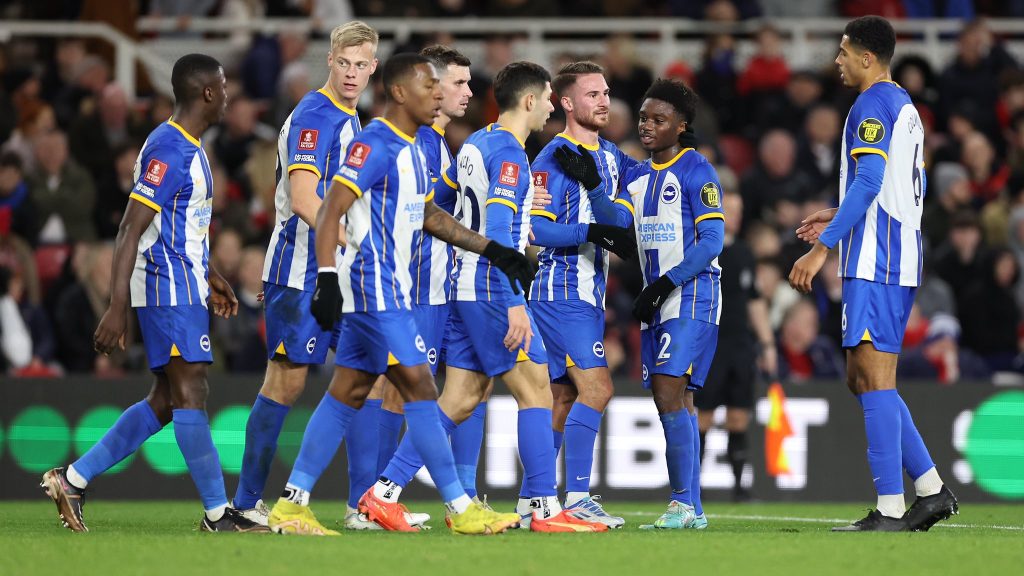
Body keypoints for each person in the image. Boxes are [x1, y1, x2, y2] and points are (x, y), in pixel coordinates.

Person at [265, 53, 529, 536]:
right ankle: (459, 505)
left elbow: (430, 216)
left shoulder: (413, 147)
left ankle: (291, 502)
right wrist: (326, 278)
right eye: (429, 86)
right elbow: (329, 212)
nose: (438, 95)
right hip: (372, 289)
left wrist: (493, 249)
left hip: (390, 292)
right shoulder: (376, 144)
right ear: (401, 93)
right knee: (421, 387)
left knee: (347, 391)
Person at [369, 61, 607, 533]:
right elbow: (498, 230)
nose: (547, 111)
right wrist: (515, 301)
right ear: (528, 101)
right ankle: (543, 507)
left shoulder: (477, 142)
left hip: (462, 282)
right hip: (492, 288)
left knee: (460, 398)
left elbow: (442, 199)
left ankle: (383, 493)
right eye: (544, 99)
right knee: (536, 387)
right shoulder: (513, 157)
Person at [40, 53, 267, 533]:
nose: (228, 94)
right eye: (224, 85)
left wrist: (211, 274)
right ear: (206, 92)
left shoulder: (190, 146)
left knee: (166, 399)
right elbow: (129, 228)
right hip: (165, 286)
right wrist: (116, 306)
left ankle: (73, 479)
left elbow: (181, 228)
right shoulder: (169, 148)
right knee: (191, 390)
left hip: (184, 280)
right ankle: (215, 513)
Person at [232, 20, 404, 530]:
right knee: (285, 384)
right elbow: (306, 200)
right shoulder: (315, 115)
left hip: (338, 270)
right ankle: (245, 505)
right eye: (344, 64)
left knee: (366, 378)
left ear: (373, 68)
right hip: (302, 270)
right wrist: (358, 241)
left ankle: (360, 507)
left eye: (361, 65)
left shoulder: (351, 118)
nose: (352, 74)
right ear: (329, 61)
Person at [789, 15, 958, 532]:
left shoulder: (871, 104)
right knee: (861, 377)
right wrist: (833, 211)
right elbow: (893, 187)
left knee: (874, 378)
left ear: (867, 57)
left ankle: (889, 508)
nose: (836, 60)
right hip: (892, 251)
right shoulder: (903, 105)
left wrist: (823, 249)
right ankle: (929, 490)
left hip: (877, 258)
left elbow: (869, 180)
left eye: (843, 52)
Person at [604, 78, 724, 530]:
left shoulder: (698, 171)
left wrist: (664, 283)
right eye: (643, 118)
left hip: (691, 293)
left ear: (682, 124)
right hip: (655, 300)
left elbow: (712, 240)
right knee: (678, 402)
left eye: (659, 119)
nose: (647, 126)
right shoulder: (636, 175)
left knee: (668, 390)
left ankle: (680, 503)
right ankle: (692, 508)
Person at [526, 60, 639, 528]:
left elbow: (624, 222)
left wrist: (600, 205)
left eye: (607, 92)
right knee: (598, 387)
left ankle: (534, 500)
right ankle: (575, 498)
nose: (605, 100)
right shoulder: (550, 158)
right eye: (593, 94)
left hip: (589, 294)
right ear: (567, 103)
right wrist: (591, 229)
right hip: (560, 290)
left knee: (561, 397)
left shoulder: (613, 157)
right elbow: (535, 230)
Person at [695, 187, 776, 502]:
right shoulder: (703, 249)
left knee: (739, 416)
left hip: (740, 344)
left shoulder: (743, 252)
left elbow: (754, 301)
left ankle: (741, 488)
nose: (738, 216)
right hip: (710, 343)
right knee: (703, 415)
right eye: (732, 209)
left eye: (740, 210)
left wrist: (767, 344)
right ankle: (693, 486)